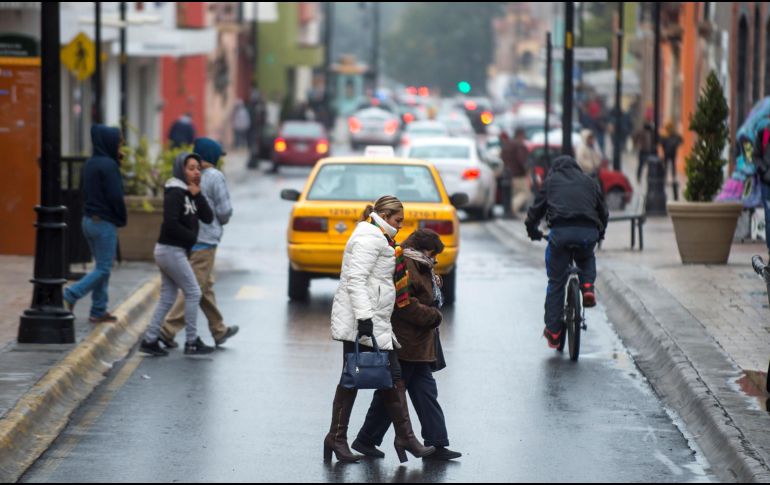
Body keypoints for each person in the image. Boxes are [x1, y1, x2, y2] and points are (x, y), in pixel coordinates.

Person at [324, 196, 436, 464]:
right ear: (384, 216)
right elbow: (355, 279)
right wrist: (364, 318)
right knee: (353, 379)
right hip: (363, 321)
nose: (400, 226)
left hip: (376, 320)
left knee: (392, 378)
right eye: (398, 221)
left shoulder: (380, 237)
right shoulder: (369, 237)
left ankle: (403, 437)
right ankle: (338, 438)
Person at [353, 229, 461, 461]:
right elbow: (405, 304)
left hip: (419, 344)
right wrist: (434, 316)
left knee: (414, 394)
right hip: (406, 343)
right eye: (432, 255)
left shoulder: (421, 264)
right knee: (392, 396)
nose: (434, 260)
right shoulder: (405, 263)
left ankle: (435, 443)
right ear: (421, 250)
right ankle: (367, 439)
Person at [158, 138, 238, 350]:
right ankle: (167, 330)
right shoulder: (215, 176)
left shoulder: (188, 175)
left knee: (205, 285)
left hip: (189, 238)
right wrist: (223, 219)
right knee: (195, 288)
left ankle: (218, 329)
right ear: (212, 156)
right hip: (206, 240)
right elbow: (224, 211)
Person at [525, 156, 609, 349]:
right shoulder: (589, 181)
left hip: (561, 234)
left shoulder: (551, 182)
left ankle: (554, 333)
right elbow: (603, 211)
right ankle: (587, 286)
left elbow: (535, 212)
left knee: (555, 282)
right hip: (588, 232)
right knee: (586, 255)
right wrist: (600, 233)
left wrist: (533, 232)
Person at [139, 153, 215, 357]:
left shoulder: (191, 192)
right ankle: (191, 342)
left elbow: (208, 218)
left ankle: (150, 339)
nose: (196, 171)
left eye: (198, 168)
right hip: (170, 250)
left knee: (168, 297)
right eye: (191, 168)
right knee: (193, 292)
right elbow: (170, 223)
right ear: (181, 170)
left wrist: (198, 194)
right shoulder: (175, 191)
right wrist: (191, 239)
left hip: (172, 251)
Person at [64, 125, 127, 323]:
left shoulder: (91, 163)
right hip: (103, 223)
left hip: (88, 221)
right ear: (109, 143)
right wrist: (122, 218)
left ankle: (98, 309)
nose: (120, 146)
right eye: (118, 143)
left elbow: (85, 191)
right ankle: (70, 294)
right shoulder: (108, 166)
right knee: (104, 269)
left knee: (101, 266)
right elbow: (116, 196)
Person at [501, 128, 531, 215]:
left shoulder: (508, 144)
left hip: (508, 175)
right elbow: (522, 159)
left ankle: (510, 210)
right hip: (519, 174)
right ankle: (511, 209)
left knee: (514, 194)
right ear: (521, 135)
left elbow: (502, 156)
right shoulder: (519, 145)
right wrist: (526, 169)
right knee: (524, 193)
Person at [660, 122, 683, 186]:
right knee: (669, 166)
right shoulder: (668, 135)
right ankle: (670, 178)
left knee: (668, 166)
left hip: (669, 153)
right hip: (670, 153)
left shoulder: (668, 135)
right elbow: (680, 141)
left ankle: (669, 178)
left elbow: (680, 141)